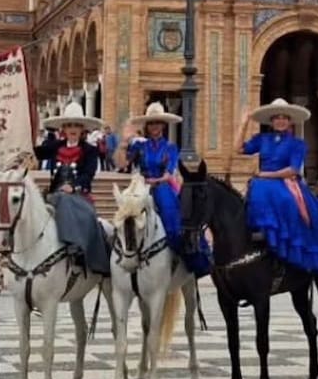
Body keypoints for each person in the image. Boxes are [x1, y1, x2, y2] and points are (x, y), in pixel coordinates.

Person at [234, 98, 318, 275]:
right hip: (262, 183)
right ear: (271, 121)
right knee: (248, 199)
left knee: (284, 200)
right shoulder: (262, 139)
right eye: (277, 117)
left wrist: (266, 175)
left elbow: (293, 170)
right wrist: (243, 123)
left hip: (284, 182)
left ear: (289, 121)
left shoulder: (297, 144)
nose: (280, 120)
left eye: (284, 117)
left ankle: (285, 246)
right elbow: (238, 149)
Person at [117, 102, 210, 277]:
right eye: (151, 123)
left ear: (163, 125)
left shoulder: (170, 147)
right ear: (147, 125)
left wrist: (155, 180)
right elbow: (122, 164)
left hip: (161, 186)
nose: (154, 126)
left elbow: (169, 173)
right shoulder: (140, 147)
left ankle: (184, 255)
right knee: (125, 215)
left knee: (172, 220)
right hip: (141, 186)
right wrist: (123, 143)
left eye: (158, 123)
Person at [34, 102, 111, 276]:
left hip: (78, 195)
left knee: (72, 205)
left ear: (82, 128)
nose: (72, 129)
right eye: (69, 125)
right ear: (63, 129)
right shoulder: (55, 146)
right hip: (54, 194)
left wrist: (74, 186)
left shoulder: (90, 150)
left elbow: (88, 174)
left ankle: (75, 245)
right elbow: (35, 153)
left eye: (76, 125)